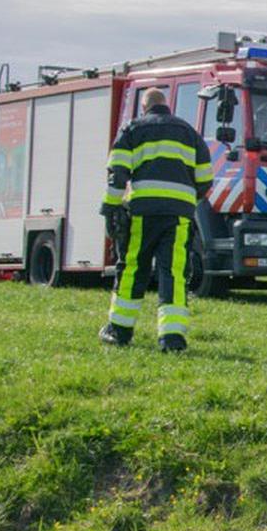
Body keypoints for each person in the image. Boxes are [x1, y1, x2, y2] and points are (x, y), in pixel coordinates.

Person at [100, 87, 213, 352]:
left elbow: (118, 174)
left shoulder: (133, 130)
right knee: (173, 272)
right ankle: (172, 338)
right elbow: (206, 179)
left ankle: (119, 331)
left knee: (132, 268)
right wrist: (186, 201)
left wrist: (110, 207)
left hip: (143, 212)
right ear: (167, 106)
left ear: (144, 107)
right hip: (179, 216)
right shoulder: (190, 133)